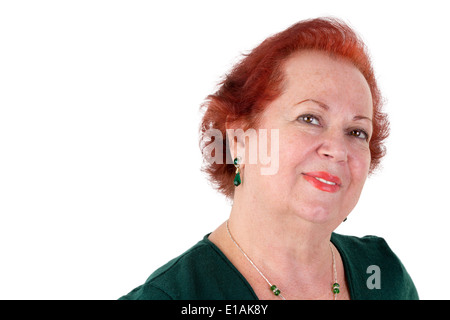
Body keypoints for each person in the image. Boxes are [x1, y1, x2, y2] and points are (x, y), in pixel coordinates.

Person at [119, 17, 418, 300]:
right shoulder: (178, 295)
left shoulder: (381, 274)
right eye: (310, 118)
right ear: (238, 141)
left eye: (357, 132)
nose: (338, 150)